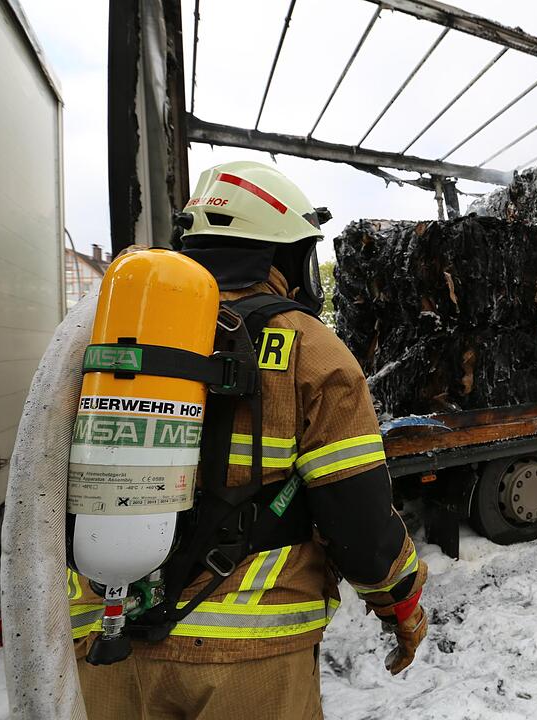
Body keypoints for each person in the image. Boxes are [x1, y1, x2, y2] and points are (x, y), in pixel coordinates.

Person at [70, 161, 427, 719]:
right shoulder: (311, 349)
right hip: (250, 658)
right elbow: (358, 519)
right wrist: (400, 603)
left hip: (108, 643)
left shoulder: (108, 329)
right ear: (283, 254)